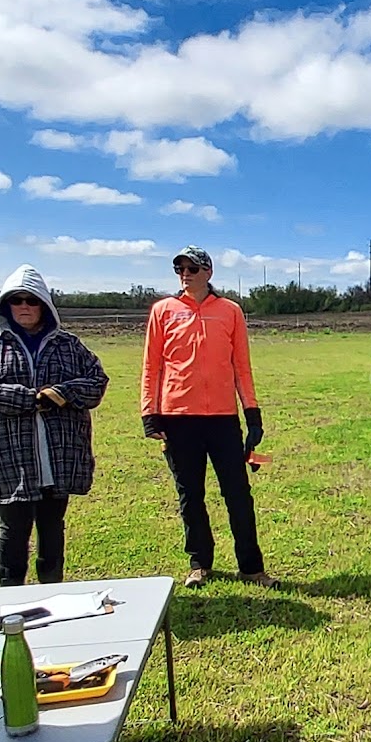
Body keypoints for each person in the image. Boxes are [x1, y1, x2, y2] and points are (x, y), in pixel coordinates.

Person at [0, 264, 108, 586]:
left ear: (44, 305)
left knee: (52, 528)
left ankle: (51, 591)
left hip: (58, 453)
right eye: (17, 300)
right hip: (8, 454)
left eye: (31, 300)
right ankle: (11, 598)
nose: (24, 306)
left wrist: (62, 393)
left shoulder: (69, 345)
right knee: (13, 529)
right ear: (5, 305)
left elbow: (96, 381)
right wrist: (30, 398)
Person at [141, 246, 276, 588]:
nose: (185, 273)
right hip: (178, 417)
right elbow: (151, 367)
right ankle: (200, 563)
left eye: (192, 268)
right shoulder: (163, 311)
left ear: (209, 273)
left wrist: (252, 413)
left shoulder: (230, 312)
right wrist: (150, 413)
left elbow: (241, 367)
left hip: (222, 418)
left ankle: (251, 567)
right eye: (180, 268)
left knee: (238, 494)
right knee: (190, 495)